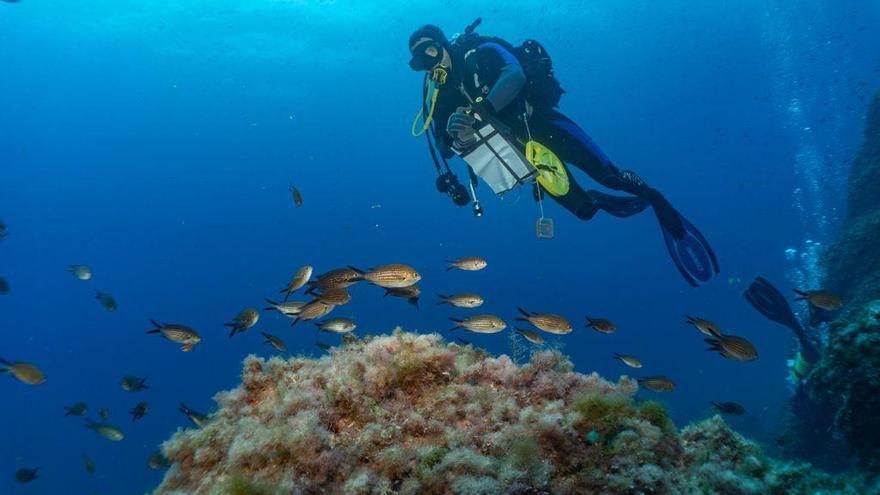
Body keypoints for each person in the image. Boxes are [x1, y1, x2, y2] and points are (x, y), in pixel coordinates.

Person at [408, 20, 719, 287]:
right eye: (420, 60)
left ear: (444, 44)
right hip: (523, 153)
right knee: (583, 210)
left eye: (431, 50)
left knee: (609, 175)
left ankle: (652, 196)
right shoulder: (441, 95)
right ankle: (597, 199)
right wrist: (452, 130)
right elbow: (444, 150)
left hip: (544, 125)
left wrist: (481, 112)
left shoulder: (481, 52)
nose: (429, 61)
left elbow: (514, 75)